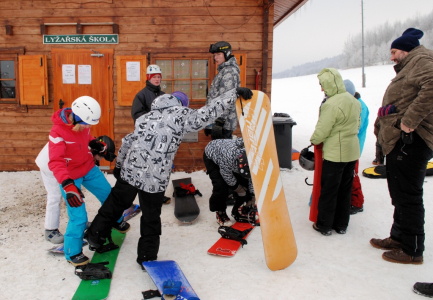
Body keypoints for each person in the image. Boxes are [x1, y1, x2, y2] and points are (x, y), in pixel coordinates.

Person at [85, 88, 252, 266]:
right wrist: (233, 94)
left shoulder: (144, 117)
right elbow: (208, 113)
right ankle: (146, 258)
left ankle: (95, 237)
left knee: (114, 205)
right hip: (154, 179)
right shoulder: (181, 114)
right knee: (150, 218)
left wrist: (119, 166)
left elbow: (127, 141)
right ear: (182, 105)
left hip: (131, 171)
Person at [370, 28, 433, 265]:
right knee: (399, 192)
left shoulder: (421, 61)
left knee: (408, 195)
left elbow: (432, 87)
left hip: (413, 140)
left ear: (406, 49)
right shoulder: (412, 65)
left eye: (394, 52)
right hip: (402, 139)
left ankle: (412, 249)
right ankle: (399, 237)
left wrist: (408, 122)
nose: (392, 57)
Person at [48, 96, 129, 266]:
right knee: (78, 215)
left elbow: (85, 137)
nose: (88, 127)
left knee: (109, 195)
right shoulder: (57, 133)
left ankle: (114, 220)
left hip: (88, 167)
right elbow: (56, 161)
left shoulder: (82, 124)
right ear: (76, 117)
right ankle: (73, 252)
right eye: (86, 123)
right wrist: (68, 185)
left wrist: (94, 143)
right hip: (70, 177)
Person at [310, 68, 361, 236]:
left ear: (330, 83)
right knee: (345, 189)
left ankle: (324, 225)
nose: (322, 89)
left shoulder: (331, 104)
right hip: (352, 152)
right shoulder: (354, 101)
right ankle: (341, 224)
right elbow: (357, 124)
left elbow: (322, 130)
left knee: (329, 190)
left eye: (322, 85)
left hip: (335, 154)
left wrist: (314, 141)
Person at [203, 137, 255, 226]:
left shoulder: (253, 157)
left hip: (230, 155)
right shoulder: (228, 158)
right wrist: (239, 189)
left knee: (244, 182)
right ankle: (220, 213)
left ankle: (240, 209)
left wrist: (252, 195)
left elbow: (252, 178)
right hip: (212, 155)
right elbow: (227, 175)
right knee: (221, 186)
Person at [205, 41, 241, 139]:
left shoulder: (229, 72)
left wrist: (220, 121)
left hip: (223, 124)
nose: (215, 57)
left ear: (226, 54)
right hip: (218, 122)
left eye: (218, 54)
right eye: (214, 55)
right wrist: (210, 122)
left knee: (221, 153)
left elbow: (227, 98)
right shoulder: (223, 71)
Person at [343, 80, 369, 215]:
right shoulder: (353, 103)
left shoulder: (360, 106)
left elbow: (356, 127)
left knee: (352, 173)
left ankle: (357, 202)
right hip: (349, 145)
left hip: (354, 145)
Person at [36, 143, 64, 244]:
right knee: (55, 196)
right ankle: (50, 230)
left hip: (59, 163)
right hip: (49, 164)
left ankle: (79, 223)